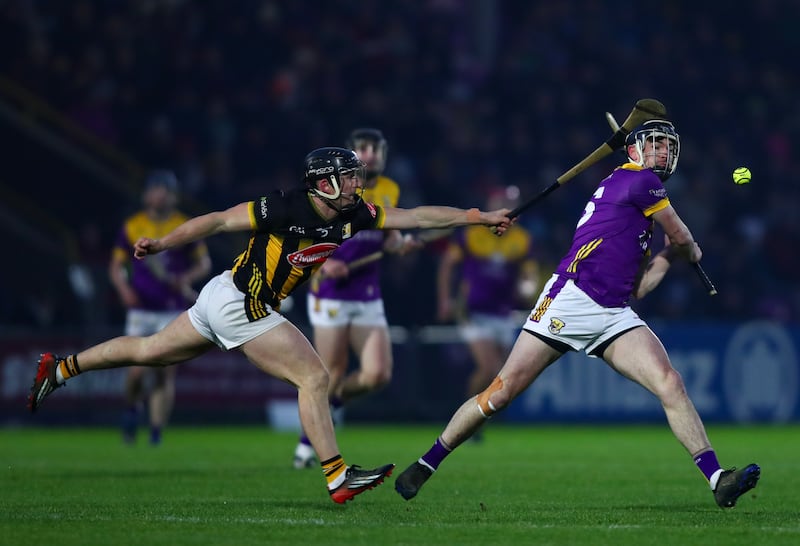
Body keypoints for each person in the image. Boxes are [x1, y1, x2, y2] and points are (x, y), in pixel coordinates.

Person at [28, 146, 512, 504]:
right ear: (322, 183)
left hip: (227, 295)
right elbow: (217, 222)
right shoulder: (284, 206)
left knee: (149, 349)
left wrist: (476, 216)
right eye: (346, 178)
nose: (355, 185)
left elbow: (417, 215)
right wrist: (164, 243)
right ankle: (337, 477)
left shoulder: (356, 214)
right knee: (316, 377)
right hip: (242, 301)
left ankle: (60, 368)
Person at [394, 120, 761, 509]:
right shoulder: (638, 181)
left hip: (614, 313)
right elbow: (684, 234)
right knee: (500, 393)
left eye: (667, 147)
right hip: (571, 298)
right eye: (654, 145)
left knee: (670, 383)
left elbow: (639, 288)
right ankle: (428, 462)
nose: (663, 153)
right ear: (633, 151)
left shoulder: (639, 216)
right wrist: (689, 248)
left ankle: (718, 478)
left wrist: (671, 255)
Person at [293, 128, 421, 468]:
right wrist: (325, 264)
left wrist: (399, 244)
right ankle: (308, 444)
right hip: (331, 292)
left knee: (377, 374)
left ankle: (331, 406)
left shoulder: (390, 189)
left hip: (367, 292)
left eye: (376, 148)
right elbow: (306, 233)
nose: (371, 155)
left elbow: (388, 234)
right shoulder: (332, 187)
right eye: (363, 149)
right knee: (330, 371)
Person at [109, 170, 212, 446]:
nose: (160, 194)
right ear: (146, 194)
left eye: (165, 190)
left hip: (171, 309)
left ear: (173, 195)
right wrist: (124, 290)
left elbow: (204, 263)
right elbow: (116, 267)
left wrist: (185, 279)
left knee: (166, 372)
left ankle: (156, 432)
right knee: (136, 371)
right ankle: (132, 409)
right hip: (141, 309)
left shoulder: (183, 224)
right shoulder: (133, 225)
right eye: (155, 189)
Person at [436, 185, 539, 441]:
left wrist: (529, 287)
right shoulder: (472, 235)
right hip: (472, 311)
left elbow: (530, 273)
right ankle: (466, 422)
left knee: (499, 374)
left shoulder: (523, 239)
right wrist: (445, 299)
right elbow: (448, 266)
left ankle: (473, 420)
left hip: (503, 312)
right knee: (488, 367)